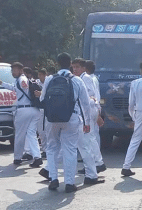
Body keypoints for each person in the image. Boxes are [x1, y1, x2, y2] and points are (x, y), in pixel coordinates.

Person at [41, 53, 92, 192]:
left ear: (57, 64)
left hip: (52, 119)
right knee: (70, 149)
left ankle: (53, 179)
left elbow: (42, 99)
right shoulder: (76, 80)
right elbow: (86, 104)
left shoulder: (50, 79)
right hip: (71, 118)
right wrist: (87, 122)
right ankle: (69, 183)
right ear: (70, 64)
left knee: (52, 148)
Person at [0, 62, 42, 167]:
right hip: (33, 110)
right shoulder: (18, 80)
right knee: (31, 135)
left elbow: (23, 85)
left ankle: (17, 158)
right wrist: (1, 83)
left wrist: (23, 83)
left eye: (15, 70)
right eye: (12, 70)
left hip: (23, 111)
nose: (13, 72)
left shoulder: (22, 79)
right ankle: (37, 157)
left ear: (21, 70)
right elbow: (14, 88)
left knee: (19, 135)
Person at [72, 58, 106, 178]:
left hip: (89, 108)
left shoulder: (85, 78)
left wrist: (96, 112)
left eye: (77, 67)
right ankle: (97, 162)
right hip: (88, 109)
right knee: (90, 137)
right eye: (73, 67)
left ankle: (96, 163)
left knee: (88, 137)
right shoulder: (81, 78)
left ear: (83, 68)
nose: (75, 69)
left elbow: (90, 95)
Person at [84, 60, 104, 145]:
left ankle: (94, 155)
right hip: (96, 106)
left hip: (92, 107)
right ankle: (96, 155)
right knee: (94, 133)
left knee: (91, 133)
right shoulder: (94, 78)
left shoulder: (88, 79)